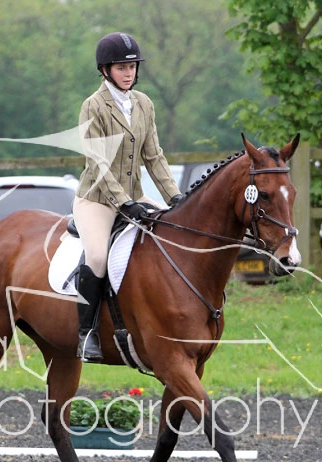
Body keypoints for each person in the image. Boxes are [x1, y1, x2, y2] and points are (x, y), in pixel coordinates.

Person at [73, 31, 183, 363]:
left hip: (135, 197)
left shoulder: (144, 104)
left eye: (132, 67)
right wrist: (124, 203)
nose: (128, 73)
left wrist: (175, 198)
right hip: (97, 200)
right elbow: (98, 163)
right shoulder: (93, 106)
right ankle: (86, 333)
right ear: (105, 70)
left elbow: (154, 156)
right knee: (96, 257)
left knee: (173, 233)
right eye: (121, 67)